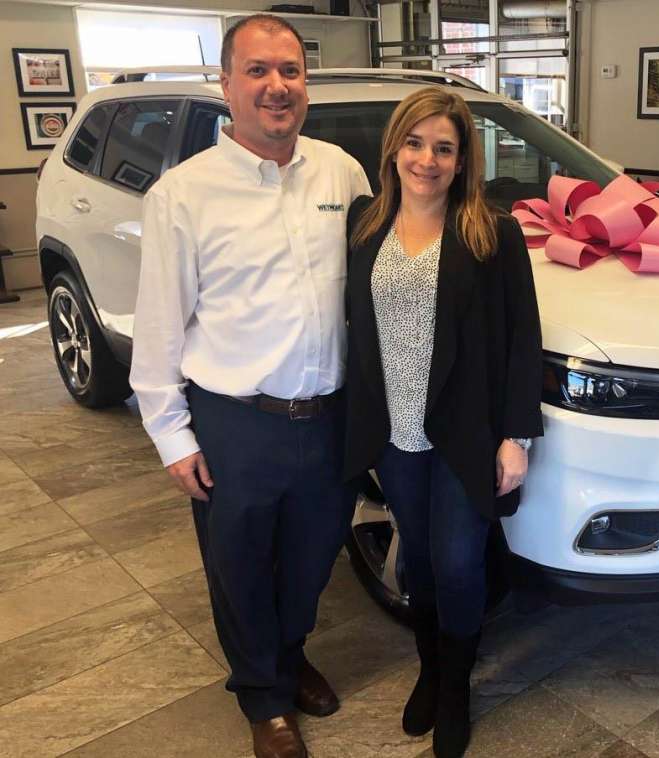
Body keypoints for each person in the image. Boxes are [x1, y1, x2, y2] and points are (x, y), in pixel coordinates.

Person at [130, 15, 370, 758]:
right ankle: (263, 697)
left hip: (327, 415)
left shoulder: (342, 173)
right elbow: (160, 329)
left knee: (311, 558)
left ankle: (290, 654)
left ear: (306, 84)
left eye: (291, 71)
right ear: (227, 85)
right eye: (259, 71)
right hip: (237, 418)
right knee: (237, 564)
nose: (277, 87)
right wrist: (173, 437)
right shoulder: (183, 196)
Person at [344, 87, 543, 758]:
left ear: (462, 162)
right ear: (394, 148)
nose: (427, 159)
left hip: (464, 437)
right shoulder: (361, 227)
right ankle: (430, 668)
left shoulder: (492, 233)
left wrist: (516, 437)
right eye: (416, 143)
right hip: (394, 435)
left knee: (460, 566)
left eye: (444, 148)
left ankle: (455, 687)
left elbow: (523, 340)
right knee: (421, 567)